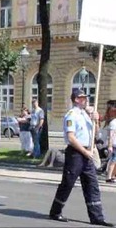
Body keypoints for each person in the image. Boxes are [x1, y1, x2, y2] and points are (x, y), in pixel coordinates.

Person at [49, 89, 113, 227]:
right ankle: (55, 212)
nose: (86, 100)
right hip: (76, 153)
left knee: (92, 185)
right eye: (83, 98)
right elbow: (71, 138)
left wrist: (95, 120)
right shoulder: (71, 115)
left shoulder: (85, 114)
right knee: (67, 183)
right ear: (76, 99)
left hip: (87, 152)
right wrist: (84, 151)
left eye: (86, 97)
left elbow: (96, 135)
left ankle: (97, 217)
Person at [104, 101, 116, 183]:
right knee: (113, 161)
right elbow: (111, 135)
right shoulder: (113, 122)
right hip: (114, 144)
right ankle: (109, 176)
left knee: (114, 161)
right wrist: (110, 146)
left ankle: (112, 176)